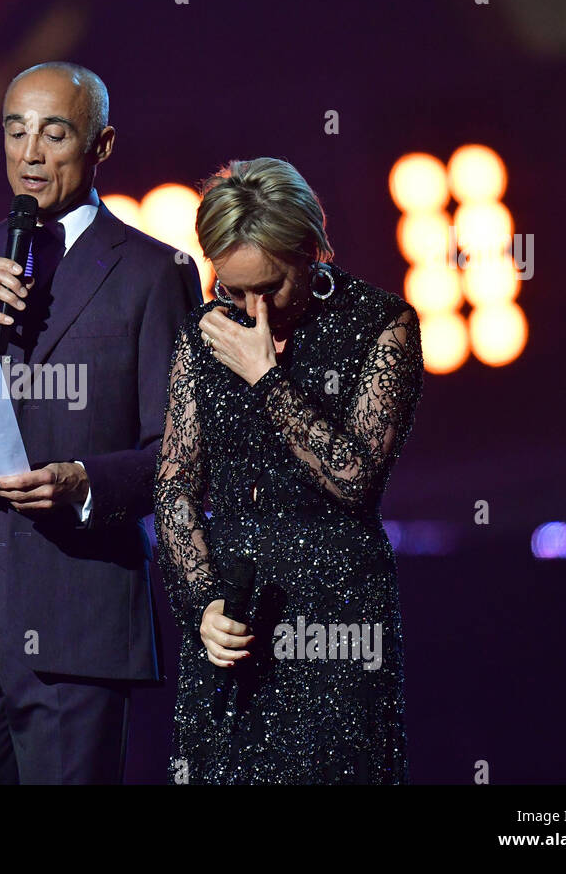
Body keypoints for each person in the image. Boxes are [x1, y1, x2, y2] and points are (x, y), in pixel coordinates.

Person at [0, 62, 202, 783]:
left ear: (102, 145)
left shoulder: (154, 272)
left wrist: (86, 483)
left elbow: (181, 455)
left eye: (54, 134)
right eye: (15, 131)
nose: (30, 153)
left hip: (75, 616)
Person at [154, 157, 424, 784]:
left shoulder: (380, 325)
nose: (254, 311)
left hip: (336, 611)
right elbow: (175, 484)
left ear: (312, 252)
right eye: (233, 290)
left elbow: (356, 478)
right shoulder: (205, 333)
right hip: (234, 604)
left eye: (270, 288)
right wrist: (203, 602)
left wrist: (265, 377)